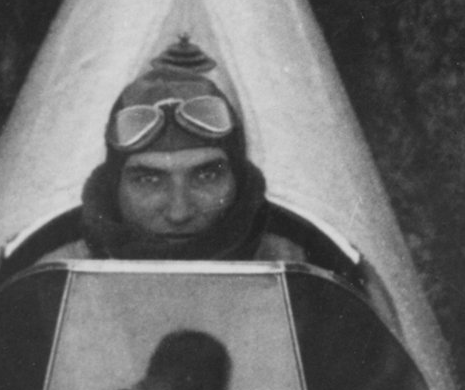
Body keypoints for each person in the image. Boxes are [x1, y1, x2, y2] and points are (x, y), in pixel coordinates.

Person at [63, 36, 304, 262]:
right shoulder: (56, 279)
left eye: (207, 176)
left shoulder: (298, 272)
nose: (179, 213)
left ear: (238, 180)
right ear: (114, 185)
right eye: (149, 179)